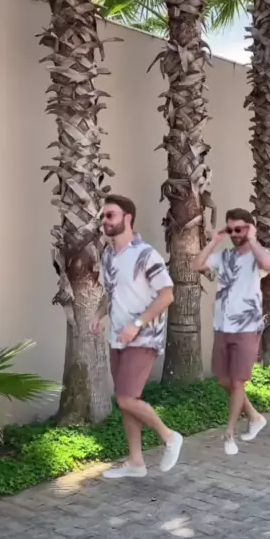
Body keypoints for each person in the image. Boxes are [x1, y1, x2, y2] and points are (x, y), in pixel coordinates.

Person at [91, 194, 183, 478]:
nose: (105, 221)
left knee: (126, 398)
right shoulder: (109, 256)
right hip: (118, 337)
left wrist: (138, 324)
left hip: (144, 337)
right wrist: (98, 315)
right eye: (103, 216)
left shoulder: (146, 254)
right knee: (127, 400)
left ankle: (170, 437)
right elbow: (111, 293)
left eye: (110, 215)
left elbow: (167, 295)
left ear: (127, 218)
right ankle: (136, 463)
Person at [192, 208, 270, 454]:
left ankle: (229, 434)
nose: (235, 234)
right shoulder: (224, 256)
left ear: (249, 228)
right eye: (231, 229)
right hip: (222, 325)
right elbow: (196, 264)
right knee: (224, 379)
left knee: (238, 381)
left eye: (239, 229)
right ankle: (254, 416)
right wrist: (215, 240)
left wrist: (252, 238)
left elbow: (267, 264)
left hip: (247, 327)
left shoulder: (258, 256)